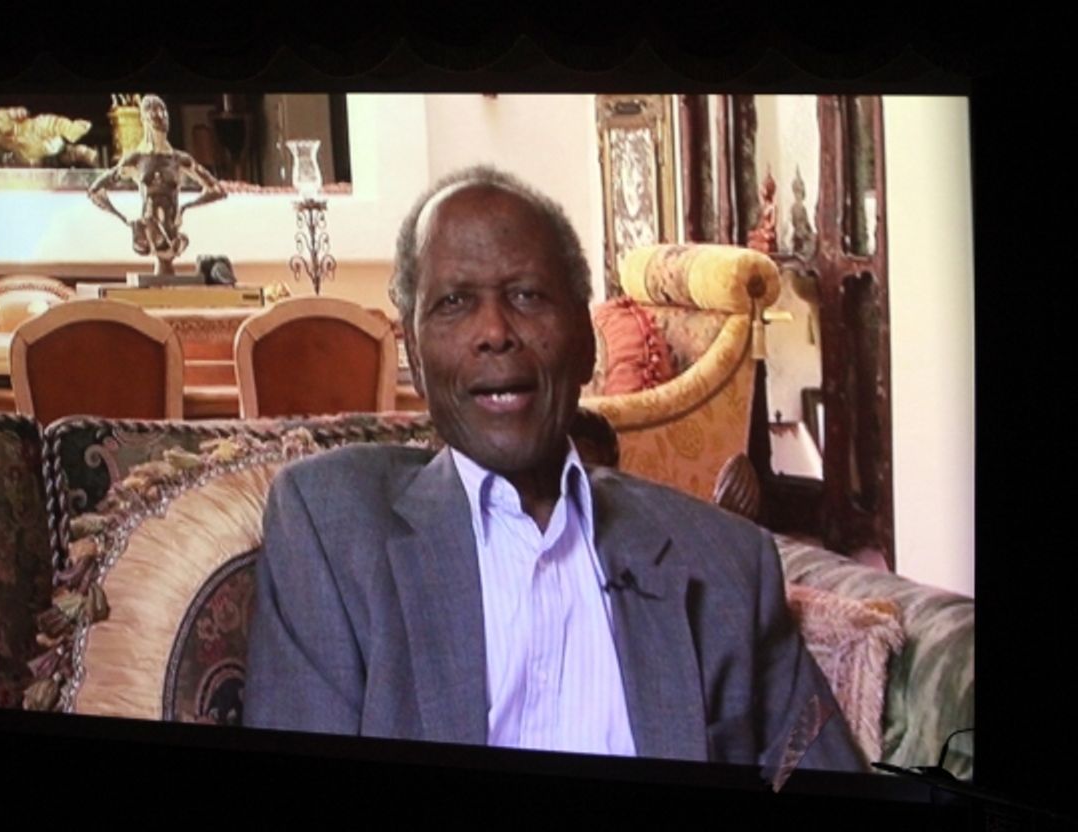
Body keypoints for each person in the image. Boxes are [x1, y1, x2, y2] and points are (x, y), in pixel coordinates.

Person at [243, 165, 866, 773]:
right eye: (455, 302)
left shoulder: (726, 562)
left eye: (527, 296)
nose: (494, 331)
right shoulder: (330, 528)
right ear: (413, 350)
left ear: (586, 339)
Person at [87, 94, 225, 275]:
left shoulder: (179, 159)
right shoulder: (136, 159)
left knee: (170, 251)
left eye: (164, 112)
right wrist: (124, 219)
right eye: (154, 112)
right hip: (148, 230)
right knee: (156, 240)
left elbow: (217, 190)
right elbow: (95, 190)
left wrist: (186, 207)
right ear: (145, 119)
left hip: (172, 229)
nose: (161, 116)